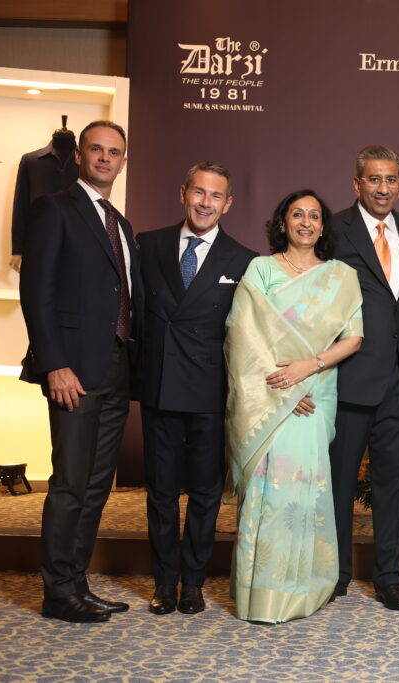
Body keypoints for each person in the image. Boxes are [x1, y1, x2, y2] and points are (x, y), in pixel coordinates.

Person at [19, 120, 142, 623]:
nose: (105, 158)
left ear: (123, 161)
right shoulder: (54, 209)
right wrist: (55, 364)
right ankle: (57, 593)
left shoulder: (121, 224)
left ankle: (76, 583)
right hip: (73, 370)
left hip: (116, 367)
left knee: (95, 486)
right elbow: (36, 291)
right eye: (97, 149)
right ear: (79, 156)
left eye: (114, 151)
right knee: (70, 483)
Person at [224, 190, 363, 623]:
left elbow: (354, 338)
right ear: (283, 222)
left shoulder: (341, 277)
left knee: (305, 491)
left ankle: (302, 588)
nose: (306, 222)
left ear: (323, 227)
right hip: (271, 395)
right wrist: (285, 388)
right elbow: (243, 336)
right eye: (297, 214)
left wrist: (310, 367)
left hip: (316, 392)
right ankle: (261, 595)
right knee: (268, 492)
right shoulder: (261, 270)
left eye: (314, 216)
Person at [136, 162, 257, 615]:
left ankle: (193, 584)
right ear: (183, 193)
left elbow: (250, 333)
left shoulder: (243, 259)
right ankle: (164, 584)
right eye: (199, 192)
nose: (205, 203)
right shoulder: (148, 244)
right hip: (161, 385)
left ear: (229, 204)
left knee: (206, 495)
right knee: (161, 493)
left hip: (210, 391)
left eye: (216, 196)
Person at [329, 145, 399, 610]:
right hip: (349, 377)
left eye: (390, 179)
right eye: (373, 179)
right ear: (357, 183)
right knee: (339, 483)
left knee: (394, 485)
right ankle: (335, 574)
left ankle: (390, 578)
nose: (382, 188)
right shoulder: (333, 230)